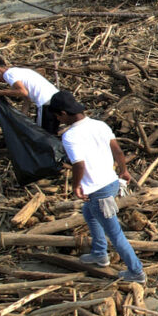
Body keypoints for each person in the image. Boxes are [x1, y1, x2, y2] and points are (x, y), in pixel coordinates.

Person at [49, 91, 144, 283]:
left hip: (97, 189)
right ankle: (100, 253)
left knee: (115, 233)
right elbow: (117, 150)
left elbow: (79, 165)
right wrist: (123, 171)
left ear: (63, 113)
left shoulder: (70, 136)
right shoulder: (99, 125)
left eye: (58, 117)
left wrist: (76, 186)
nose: (59, 120)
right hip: (109, 182)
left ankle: (136, 272)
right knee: (89, 213)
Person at [0, 55, 60, 135]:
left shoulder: (8, 74)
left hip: (45, 102)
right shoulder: (17, 72)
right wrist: (21, 119)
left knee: (43, 134)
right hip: (56, 98)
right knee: (51, 133)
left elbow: (22, 92)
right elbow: (27, 100)